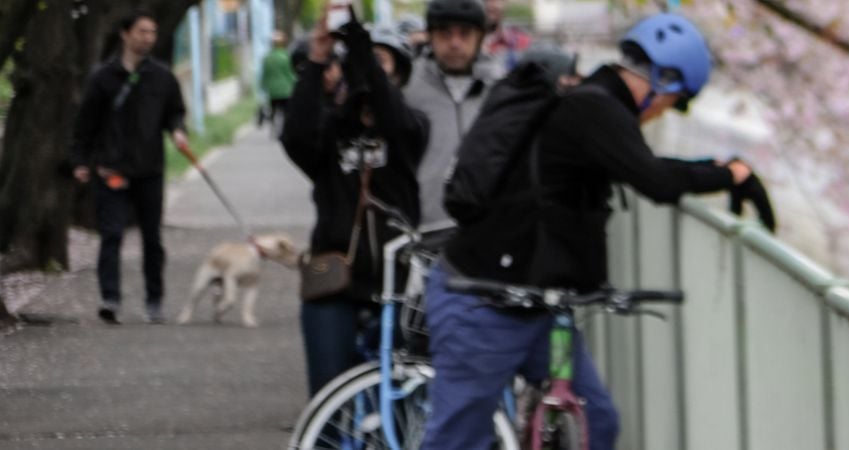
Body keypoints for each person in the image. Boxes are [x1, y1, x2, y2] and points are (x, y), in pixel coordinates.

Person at [420, 13, 753, 449]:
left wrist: (715, 170)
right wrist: (730, 176)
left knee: (596, 419)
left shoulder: (593, 102)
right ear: (663, 83)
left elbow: (642, 165)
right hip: (483, 305)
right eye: (675, 101)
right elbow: (656, 181)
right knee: (458, 441)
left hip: (537, 309)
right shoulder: (595, 108)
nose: (663, 113)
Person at [279, 14, 429, 396]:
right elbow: (295, 135)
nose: (367, 74)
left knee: (399, 400)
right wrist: (317, 59)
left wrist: (362, 47)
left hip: (396, 290)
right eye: (361, 63)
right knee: (330, 400)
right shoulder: (328, 134)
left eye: (382, 64)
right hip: (334, 287)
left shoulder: (411, 129)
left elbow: (392, 114)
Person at [68, 10, 188, 325]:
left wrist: (178, 131)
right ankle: (110, 299)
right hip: (110, 170)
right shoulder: (102, 78)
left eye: (152, 32)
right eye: (142, 31)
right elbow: (85, 124)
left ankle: (154, 300)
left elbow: (175, 112)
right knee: (111, 235)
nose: (148, 38)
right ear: (125, 33)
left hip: (150, 169)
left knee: (152, 239)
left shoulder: (162, 76)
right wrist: (80, 161)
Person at [405, 0, 499, 237]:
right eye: (445, 33)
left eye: (465, 34)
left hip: (486, 231)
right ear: (430, 36)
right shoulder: (407, 86)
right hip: (423, 231)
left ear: (480, 37)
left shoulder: (499, 89)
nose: (455, 43)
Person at [259, 31, 297, 133]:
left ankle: (273, 127)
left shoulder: (267, 58)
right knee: (285, 111)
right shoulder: (286, 57)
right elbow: (290, 74)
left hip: (272, 90)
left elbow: (264, 75)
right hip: (285, 89)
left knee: (273, 109)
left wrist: (263, 86)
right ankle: (285, 129)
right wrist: (296, 83)